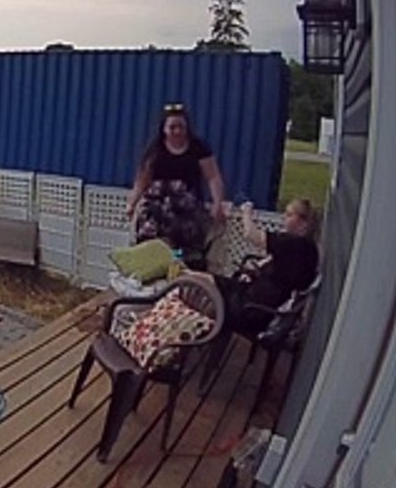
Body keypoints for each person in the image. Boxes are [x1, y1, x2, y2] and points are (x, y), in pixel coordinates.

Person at [126, 104, 228, 269]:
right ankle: (150, 270)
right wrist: (132, 203)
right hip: (156, 209)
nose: (177, 131)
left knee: (182, 248)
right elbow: (142, 180)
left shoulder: (198, 148)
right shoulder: (155, 149)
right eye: (172, 127)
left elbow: (213, 177)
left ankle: (179, 269)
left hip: (185, 211)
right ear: (164, 129)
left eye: (181, 126)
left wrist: (218, 204)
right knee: (149, 242)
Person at [217, 199, 320, 335]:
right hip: (261, 307)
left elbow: (251, 235)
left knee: (205, 283)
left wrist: (246, 212)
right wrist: (258, 272)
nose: (284, 217)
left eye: (289, 215)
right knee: (206, 281)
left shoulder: (291, 244)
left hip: (249, 309)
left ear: (303, 223)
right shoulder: (309, 249)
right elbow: (284, 275)